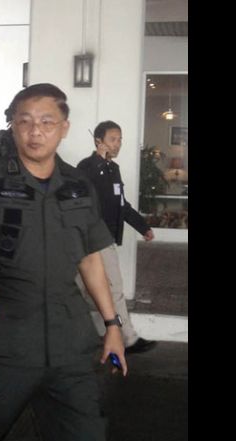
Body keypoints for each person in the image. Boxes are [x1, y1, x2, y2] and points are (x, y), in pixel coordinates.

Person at [0, 83, 126, 441]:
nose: (35, 131)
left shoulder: (78, 185)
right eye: (24, 122)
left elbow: (90, 258)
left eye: (46, 122)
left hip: (69, 342)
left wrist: (112, 325)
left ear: (64, 128)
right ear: (13, 126)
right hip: (5, 341)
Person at [76, 121, 157, 354]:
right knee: (111, 289)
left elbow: (122, 204)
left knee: (91, 291)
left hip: (105, 238)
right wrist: (100, 161)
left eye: (120, 139)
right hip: (90, 238)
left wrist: (143, 227)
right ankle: (127, 339)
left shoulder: (114, 169)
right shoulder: (87, 167)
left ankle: (101, 335)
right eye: (113, 139)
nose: (118, 144)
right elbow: (83, 192)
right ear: (98, 141)